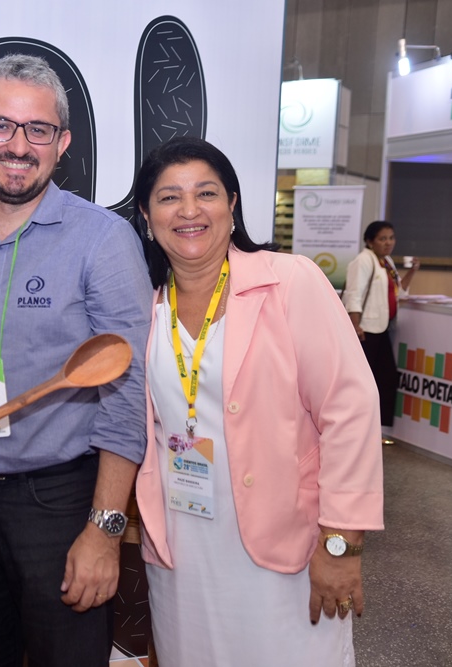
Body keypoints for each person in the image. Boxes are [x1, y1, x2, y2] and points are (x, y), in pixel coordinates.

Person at [0, 53, 153, 666]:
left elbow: (127, 394)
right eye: (0, 125)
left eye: (38, 130)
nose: (18, 146)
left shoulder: (102, 240)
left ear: (62, 143)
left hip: (58, 506)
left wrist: (105, 529)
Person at [133, 137, 384, 665]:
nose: (189, 210)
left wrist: (341, 543)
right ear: (147, 216)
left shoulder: (289, 282)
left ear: (232, 204)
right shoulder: (145, 305)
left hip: (285, 546)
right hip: (183, 546)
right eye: (169, 197)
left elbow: (351, 409)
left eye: (206, 193)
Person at [343, 221, 419, 436]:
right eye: (382, 239)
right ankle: (356, 427)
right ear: (370, 241)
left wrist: (412, 271)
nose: (388, 243)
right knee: (363, 381)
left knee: (386, 377)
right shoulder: (363, 260)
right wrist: (355, 324)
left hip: (381, 327)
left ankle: (380, 429)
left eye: (391, 238)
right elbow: (354, 294)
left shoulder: (386, 262)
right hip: (365, 330)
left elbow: (400, 291)